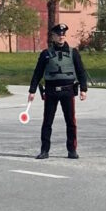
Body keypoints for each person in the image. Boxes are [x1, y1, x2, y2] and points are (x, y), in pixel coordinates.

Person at [28, 23, 88, 159]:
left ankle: (72, 150)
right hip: (51, 92)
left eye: (63, 34)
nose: (61, 37)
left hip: (68, 91)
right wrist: (32, 91)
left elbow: (81, 71)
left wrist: (84, 89)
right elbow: (38, 73)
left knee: (71, 122)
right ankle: (44, 150)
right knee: (47, 122)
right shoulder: (46, 54)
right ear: (53, 36)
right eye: (58, 35)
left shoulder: (74, 53)